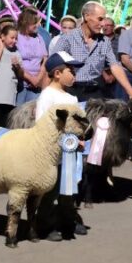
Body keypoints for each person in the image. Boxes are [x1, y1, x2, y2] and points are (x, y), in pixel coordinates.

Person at [35, 51, 82, 241]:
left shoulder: (72, 99)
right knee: (51, 190)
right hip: (52, 153)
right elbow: (42, 123)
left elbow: (78, 123)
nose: (74, 74)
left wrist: (80, 138)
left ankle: (67, 220)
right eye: (71, 70)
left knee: (68, 188)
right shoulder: (47, 96)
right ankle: (45, 225)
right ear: (57, 73)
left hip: (69, 153)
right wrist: (65, 140)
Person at [56, 1, 132, 101]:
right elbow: (52, 65)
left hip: (97, 90)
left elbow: (114, 66)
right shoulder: (68, 38)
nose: (103, 24)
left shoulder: (104, 41)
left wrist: (131, 92)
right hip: (73, 90)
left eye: (104, 19)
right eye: (100, 19)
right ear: (87, 16)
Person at [16, 7, 47, 105]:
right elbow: (15, 61)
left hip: (36, 85)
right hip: (20, 83)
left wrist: (38, 79)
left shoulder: (39, 38)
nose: (38, 25)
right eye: (35, 22)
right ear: (27, 22)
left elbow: (44, 59)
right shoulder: (17, 37)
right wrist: (31, 78)